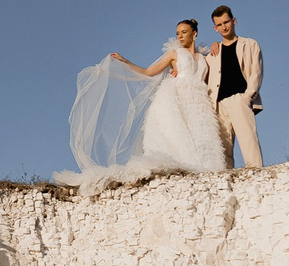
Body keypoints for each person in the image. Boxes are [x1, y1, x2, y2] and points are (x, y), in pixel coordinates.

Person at [63, 20, 226, 187]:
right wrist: (125, 61)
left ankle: (208, 176)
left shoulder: (203, 58)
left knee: (203, 140)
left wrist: (216, 44)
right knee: (178, 139)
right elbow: (149, 72)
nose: (180, 36)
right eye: (178, 33)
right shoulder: (174, 54)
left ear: (195, 34)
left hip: (198, 103)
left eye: (184, 32)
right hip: (177, 98)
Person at [201, 4, 263, 168]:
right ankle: (225, 184)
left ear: (234, 21)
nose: (224, 27)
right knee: (222, 151)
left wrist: (248, 96)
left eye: (226, 22)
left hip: (240, 99)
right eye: (219, 25)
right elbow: (198, 68)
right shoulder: (213, 53)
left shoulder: (250, 44)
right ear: (215, 28)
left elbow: (256, 73)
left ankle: (257, 176)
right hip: (218, 104)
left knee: (248, 141)